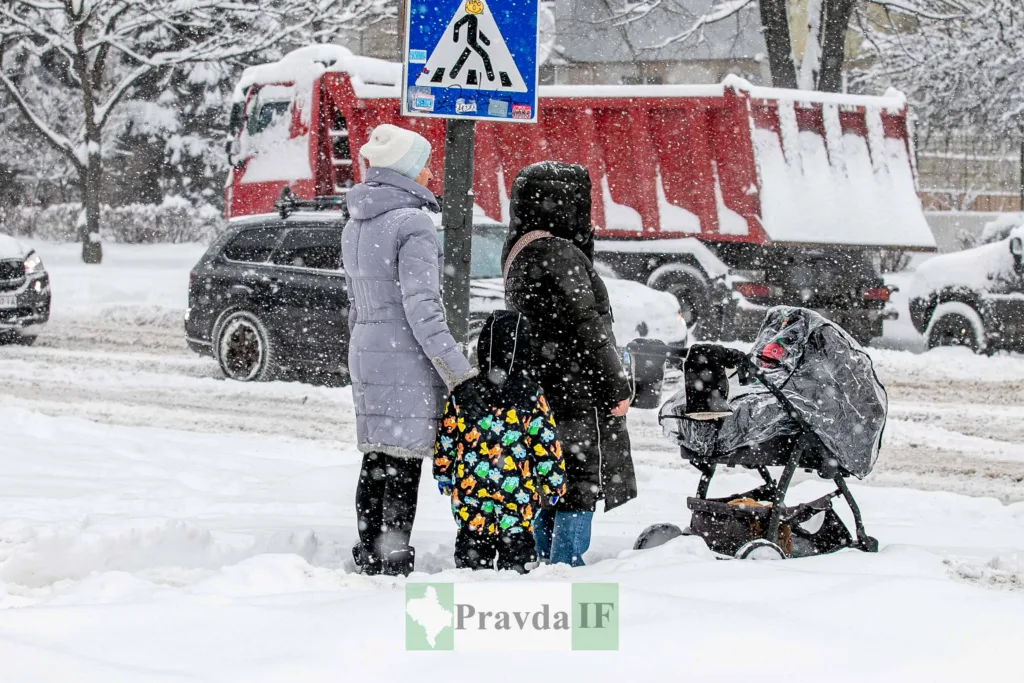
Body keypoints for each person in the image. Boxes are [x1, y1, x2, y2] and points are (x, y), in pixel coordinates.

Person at [343, 124, 476, 576]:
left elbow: (356, 301)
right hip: (403, 357)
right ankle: (393, 557)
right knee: (402, 462)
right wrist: (459, 373)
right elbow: (423, 310)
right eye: (424, 163)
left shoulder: (356, 221)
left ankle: (370, 552)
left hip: (366, 348)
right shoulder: (413, 223)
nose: (430, 172)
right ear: (408, 169)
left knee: (376, 455)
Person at [500, 161, 637, 567]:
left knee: (550, 477)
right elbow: (589, 327)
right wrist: (617, 386)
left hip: (543, 383)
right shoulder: (560, 253)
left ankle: (543, 562)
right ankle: (564, 571)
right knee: (581, 482)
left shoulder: (522, 247)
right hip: (577, 386)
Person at [433, 310, 566, 573]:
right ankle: (513, 587)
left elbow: (447, 436)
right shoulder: (530, 396)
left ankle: (471, 586)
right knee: (516, 552)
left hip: (471, 491)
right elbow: (546, 445)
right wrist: (553, 484)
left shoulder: (464, 392)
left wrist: (443, 472)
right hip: (516, 494)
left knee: (473, 551)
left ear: (483, 348)